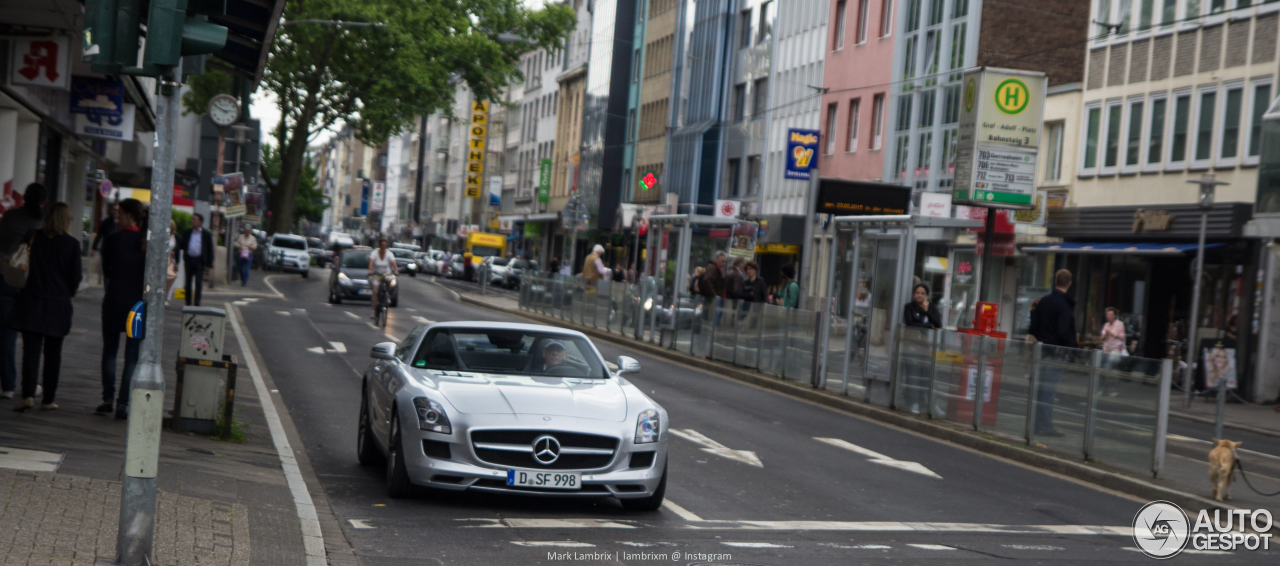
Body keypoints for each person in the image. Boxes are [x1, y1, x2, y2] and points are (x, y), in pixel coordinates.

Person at [10, 203, 82, 412]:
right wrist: (66, 291)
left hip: (32, 301)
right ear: (67, 220)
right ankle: (48, 399)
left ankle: (28, 395)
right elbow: (75, 278)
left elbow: (21, 262)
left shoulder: (34, 237)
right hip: (58, 305)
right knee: (53, 354)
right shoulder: (72, 245)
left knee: (30, 352)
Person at [98, 199, 147, 419]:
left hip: (113, 301)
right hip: (136, 306)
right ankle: (123, 404)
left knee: (110, 352)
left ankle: (107, 399)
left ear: (128, 215)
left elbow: (106, 271)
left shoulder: (113, 240)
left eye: (121, 212)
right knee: (132, 357)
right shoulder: (145, 243)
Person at [0, 183, 45, 400]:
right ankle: (29, 383)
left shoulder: (9, 217)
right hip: (30, 283)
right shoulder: (42, 224)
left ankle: (8, 384)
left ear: (24, 198)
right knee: (31, 339)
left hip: (6, 278)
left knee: (7, 335)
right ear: (43, 202)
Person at [1030, 269, 1078, 437]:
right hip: (1056, 352)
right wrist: (1072, 348)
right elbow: (1064, 331)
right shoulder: (1064, 305)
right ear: (1069, 284)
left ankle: (1036, 423)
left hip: (1041, 350)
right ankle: (1045, 425)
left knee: (1040, 389)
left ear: (1055, 281)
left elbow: (1034, 327)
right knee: (1049, 391)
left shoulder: (1044, 302)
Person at [902, 283, 942, 415]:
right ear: (914, 294)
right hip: (912, 346)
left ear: (926, 295)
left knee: (926, 375)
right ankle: (914, 403)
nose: (919, 295)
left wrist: (926, 311)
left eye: (922, 293)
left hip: (925, 347)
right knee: (913, 375)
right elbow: (910, 323)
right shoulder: (909, 307)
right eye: (917, 293)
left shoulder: (931, 308)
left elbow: (937, 323)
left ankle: (931, 404)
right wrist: (927, 325)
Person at [179, 214, 214, 306]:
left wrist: (209, 264)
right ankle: (188, 302)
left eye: (194, 219)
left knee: (198, 281)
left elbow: (210, 250)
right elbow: (182, 244)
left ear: (200, 222)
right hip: (189, 260)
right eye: (192, 219)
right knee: (188, 282)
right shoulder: (187, 232)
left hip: (199, 261)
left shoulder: (206, 234)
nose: (192, 221)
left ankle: (197, 301)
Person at [90, 203, 119, 284]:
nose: (115, 212)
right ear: (111, 210)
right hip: (107, 251)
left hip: (117, 252)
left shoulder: (121, 224)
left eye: (117, 210)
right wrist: (94, 248)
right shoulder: (106, 222)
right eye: (114, 210)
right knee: (106, 272)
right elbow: (99, 235)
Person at [368, 238, 395, 321]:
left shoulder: (389, 254)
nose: (384, 247)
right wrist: (370, 270)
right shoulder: (374, 253)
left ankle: (387, 294)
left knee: (388, 280)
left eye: (385, 245)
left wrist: (396, 270)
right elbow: (371, 263)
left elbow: (393, 263)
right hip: (376, 274)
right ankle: (373, 311)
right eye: (382, 245)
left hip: (386, 273)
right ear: (379, 246)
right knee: (375, 292)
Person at [165, 220, 179, 304]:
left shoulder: (175, 236)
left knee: (170, 277)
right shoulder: (163, 234)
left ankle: (167, 297)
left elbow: (178, 248)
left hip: (171, 259)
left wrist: (177, 260)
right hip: (164, 258)